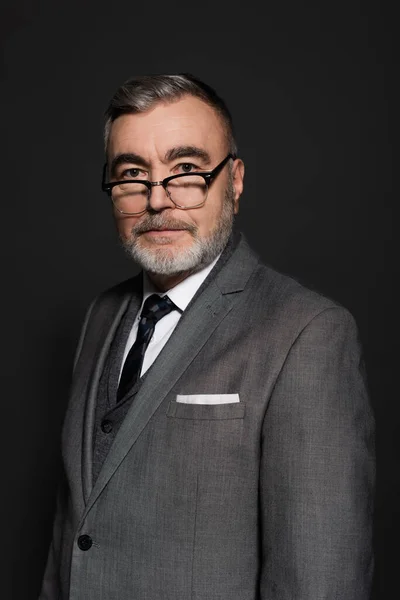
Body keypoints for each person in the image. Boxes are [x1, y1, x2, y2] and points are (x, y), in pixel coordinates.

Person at [39, 73, 375, 600]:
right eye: (132, 174)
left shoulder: (308, 333)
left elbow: (320, 582)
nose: (157, 200)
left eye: (187, 170)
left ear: (234, 181)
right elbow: (74, 534)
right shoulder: (101, 316)